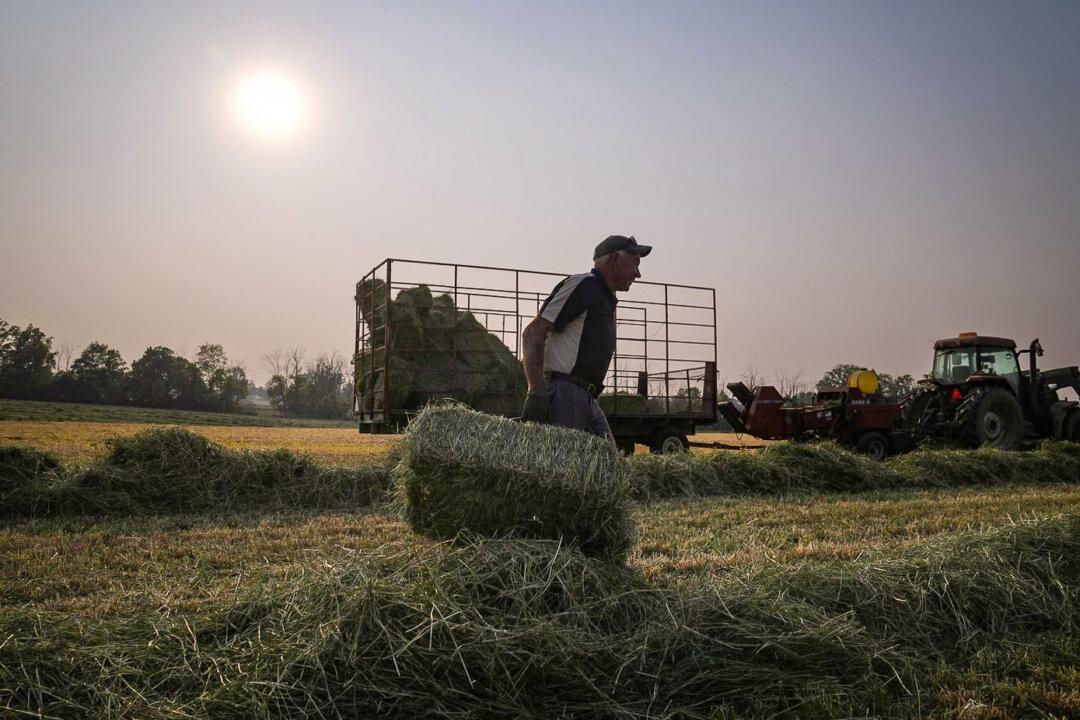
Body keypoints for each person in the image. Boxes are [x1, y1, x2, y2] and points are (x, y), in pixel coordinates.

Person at [520, 235, 651, 439]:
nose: (638, 274)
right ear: (615, 259)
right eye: (635, 263)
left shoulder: (606, 298)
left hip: (586, 396)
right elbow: (533, 332)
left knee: (606, 462)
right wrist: (535, 392)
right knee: (565, 465)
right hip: (565, 394)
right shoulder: (583, 286)